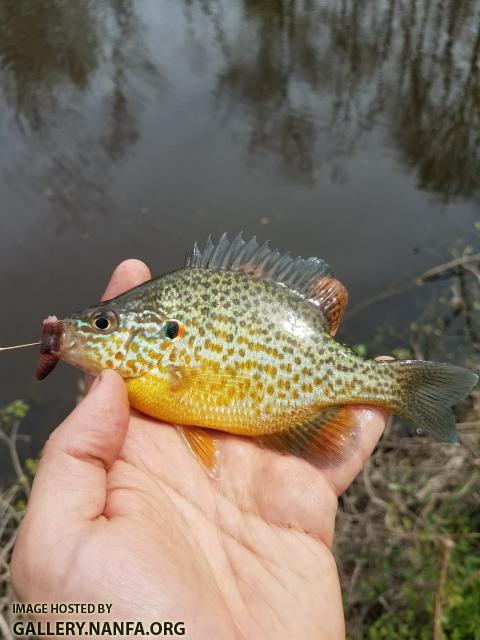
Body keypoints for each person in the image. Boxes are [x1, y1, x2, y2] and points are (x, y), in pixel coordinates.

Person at [11, 260, 389, 639]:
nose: (83, 334)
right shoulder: (142, 382)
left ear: (161, 333)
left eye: (104, 325)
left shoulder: (157, 377)